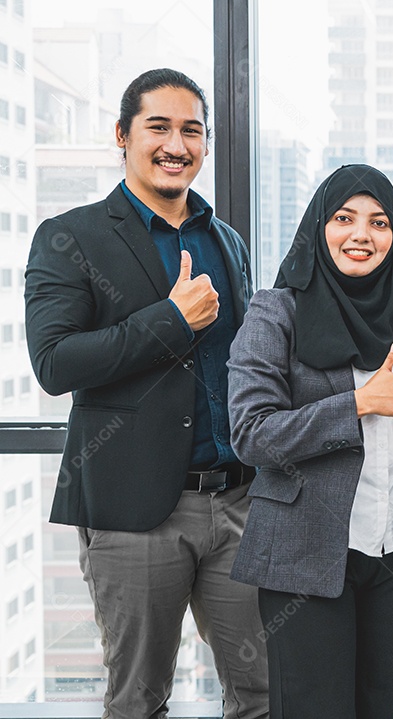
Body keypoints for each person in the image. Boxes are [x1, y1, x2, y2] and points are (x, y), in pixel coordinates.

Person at [24, 69, 267, 718]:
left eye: (191, 129)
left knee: (267, 692)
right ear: (122, 136)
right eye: (158, 126)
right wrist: (171, 320)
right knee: (139, 700)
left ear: (206, 144)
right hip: (134, 512)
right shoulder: (70, 237)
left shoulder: (227, 241)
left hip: (238, 502)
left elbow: (241, 364)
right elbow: (54, 363)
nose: (176, 143)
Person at [227, 164, 393, 719]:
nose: (361, 235)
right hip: (307, 557)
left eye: (379, 223)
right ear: (318, 228)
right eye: (344, 218)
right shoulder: (275, 312)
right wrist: (357, 404)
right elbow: (251, 434)